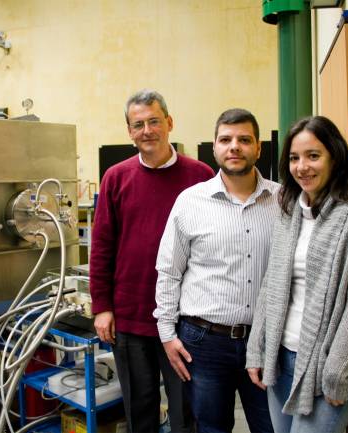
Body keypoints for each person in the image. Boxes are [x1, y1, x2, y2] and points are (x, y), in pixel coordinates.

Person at [245, 116, 348, 433]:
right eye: (294, 158)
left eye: (313, 156)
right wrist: (258, 347)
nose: (302, 166)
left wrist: (337, 369)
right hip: (280, 359)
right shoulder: (289, 208)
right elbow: (271, 283)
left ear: (334, 156)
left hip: (326, 368)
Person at [90, 89, 214, 433]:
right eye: (138, 124)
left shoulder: (201, 176)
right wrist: (102, 306)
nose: (147, 130)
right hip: (130, 317)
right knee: (139, 409)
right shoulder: (116, 177)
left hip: (185, 318)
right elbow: (101, 245)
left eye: (154, 121)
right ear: (129, 132)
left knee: (186, 411)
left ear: (169, 123)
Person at [154, 108, 277, 433]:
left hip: (266, 341)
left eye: (244, 139)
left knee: (272, 427)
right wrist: (167, 334)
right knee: (211, 429)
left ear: (259, 147)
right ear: (215, 147)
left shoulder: (284, 201)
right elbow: (169, 271)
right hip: (204, 343)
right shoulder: (190, 202)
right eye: (226, 139)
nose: (234, 146)